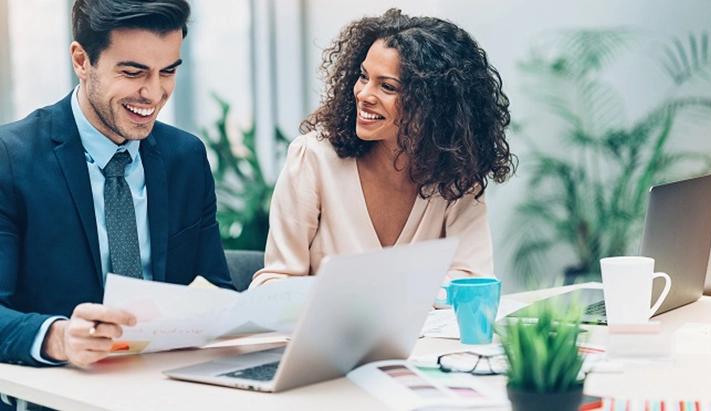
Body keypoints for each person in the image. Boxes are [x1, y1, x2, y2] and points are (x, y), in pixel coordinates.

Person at [0, 0, 234, 376]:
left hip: (172, 383)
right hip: (64, 390)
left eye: (168, 72)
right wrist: (58, 338)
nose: (154, 93)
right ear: (81, 61)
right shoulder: (11, 158)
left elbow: (216, 291)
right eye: (132, 72)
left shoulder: (185, 157)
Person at [251, 9, 515, 288]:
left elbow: (473, 280)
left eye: (387, 86)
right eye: (364, 76)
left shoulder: (456, 172)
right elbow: (274, 282)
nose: (363, 95)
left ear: (433, 104)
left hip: (424, 334)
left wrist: (399, 298)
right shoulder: (313, 157)